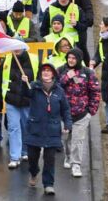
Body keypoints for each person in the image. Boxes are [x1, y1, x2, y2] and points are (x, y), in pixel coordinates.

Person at [23, 63, 72, 196]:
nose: (46, 72)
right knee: (32, 157)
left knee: (50, 159)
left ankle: (48, 184)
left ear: (53, 74)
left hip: (52, 129)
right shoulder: (33, 86)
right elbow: (26, 94)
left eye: (49, 71)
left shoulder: (59, 91)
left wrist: (68, 124)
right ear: (40, 73)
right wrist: (24, 83)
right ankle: (33, 172)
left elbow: (66, 109)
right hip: (35, 128)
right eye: (43, 70)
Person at [57, 48, 100, 178]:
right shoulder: (60, 71)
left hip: (81, 113)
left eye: (74, 58)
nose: (71, 60)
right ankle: (68, 156)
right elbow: (54, 88)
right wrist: (66, 78)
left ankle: (76, 164)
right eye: (69, 57)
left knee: (78, 139)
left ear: (79, 59)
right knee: (66, 138)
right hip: (64, 113)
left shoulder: (87, 73)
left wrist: (91, 111)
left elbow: (95, 91)